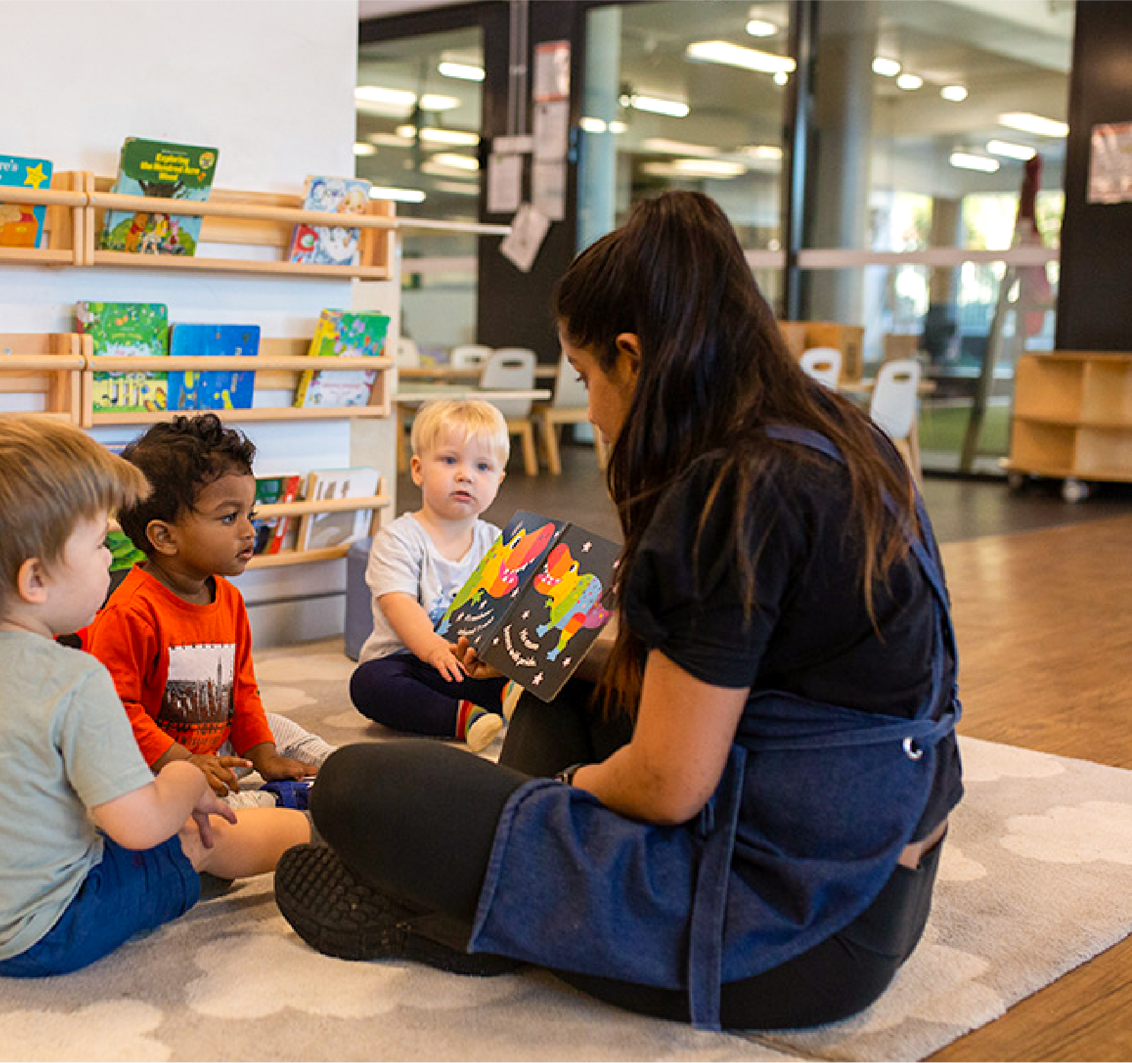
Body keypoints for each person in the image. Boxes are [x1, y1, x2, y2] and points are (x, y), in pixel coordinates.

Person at [274, 191, 963, 1031]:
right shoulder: (842, 435)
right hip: (875, 879)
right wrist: (553, 653)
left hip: (782, 936)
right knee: (555, 678)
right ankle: (500, 891)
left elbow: (669, 786)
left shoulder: (727, 491)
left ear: (632, 357)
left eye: (586, 377)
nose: (592, 409)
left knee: (353, 784)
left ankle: (484, 904)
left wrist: (569, 793)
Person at [0, 415, 308, 976]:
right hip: (44, 933)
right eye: (99, 544)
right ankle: (319, 832)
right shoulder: (75, 679)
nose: (111, 560)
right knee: (195, 835)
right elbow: (140, 827)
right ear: (34, 581)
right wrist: (185, 778)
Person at [81, 413, 333, 806]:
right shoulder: (130, 612)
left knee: (283, 732)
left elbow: (243, 692)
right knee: (187, 809)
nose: (249, 530)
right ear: (164, 537)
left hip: (214, 740)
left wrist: (264, 754)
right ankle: (273, 805)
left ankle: (339, 768)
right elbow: (113, 712)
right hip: (151, 757)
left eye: (251, 514)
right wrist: (182, 761)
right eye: (229, 517)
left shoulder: (229, 600)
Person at [349, 398, 511, 751]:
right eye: (450, 460)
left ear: (498, 481)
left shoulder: (496, 542)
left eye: (482, 466)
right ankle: (465, 718)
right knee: (368, 682)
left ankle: (509, 700)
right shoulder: (397, 539)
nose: (465, 474)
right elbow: (399, 604)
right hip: (408, 663)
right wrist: (434, 647)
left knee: (526, 676)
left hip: (469, 667)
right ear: (419, 469)